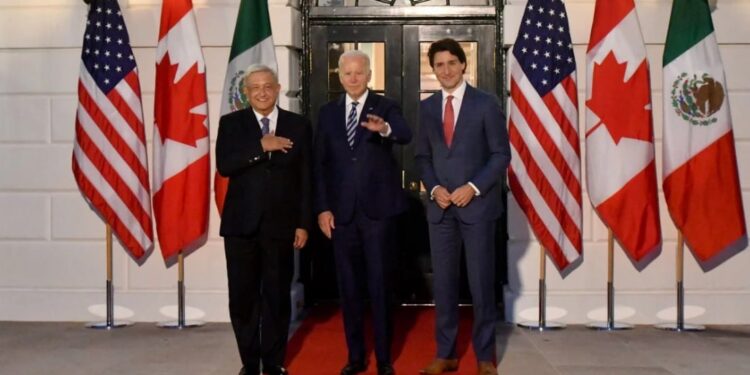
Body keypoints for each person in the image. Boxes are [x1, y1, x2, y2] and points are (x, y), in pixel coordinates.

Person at [415, 38, 511, 375]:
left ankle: (485, 357)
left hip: (478, 208)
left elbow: (501, 155)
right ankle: (447, 353)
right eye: (439, 65)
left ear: (463, 64)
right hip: (440, 211)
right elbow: (422, 157)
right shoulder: (426, 108)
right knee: (443, 285)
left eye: (451, 63)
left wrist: (473, 188)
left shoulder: (486, 103)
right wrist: (436, 187)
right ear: (434, 70)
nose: (446, 70)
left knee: (481, 283)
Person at [313, 50, 411, 375]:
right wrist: (323, 208)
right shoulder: (327, 114)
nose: (353, 79)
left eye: (359, 73)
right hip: (342, 216)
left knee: (381, 286)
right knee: (349, 288)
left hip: (378, 214)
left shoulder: (386, 107)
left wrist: (384, 130)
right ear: (339, 76)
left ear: (369, 75)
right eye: (347, 73)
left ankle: (384, 359)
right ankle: (355, 357)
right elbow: (320, 165)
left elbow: (404, 133)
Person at [216, 64, 312, 375]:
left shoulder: (297, 125)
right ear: (245, 92)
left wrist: (302, 223)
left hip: (281, 227)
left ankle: (273, 363)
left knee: (276, 296)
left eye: (267, 86)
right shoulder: (231, 124)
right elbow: (225, 166)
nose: (262, 92)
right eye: (255, 87)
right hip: (240, 226)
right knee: (242, 297)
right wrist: (261, 146)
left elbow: (306, 178)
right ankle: (249, 362)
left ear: (278, 88)